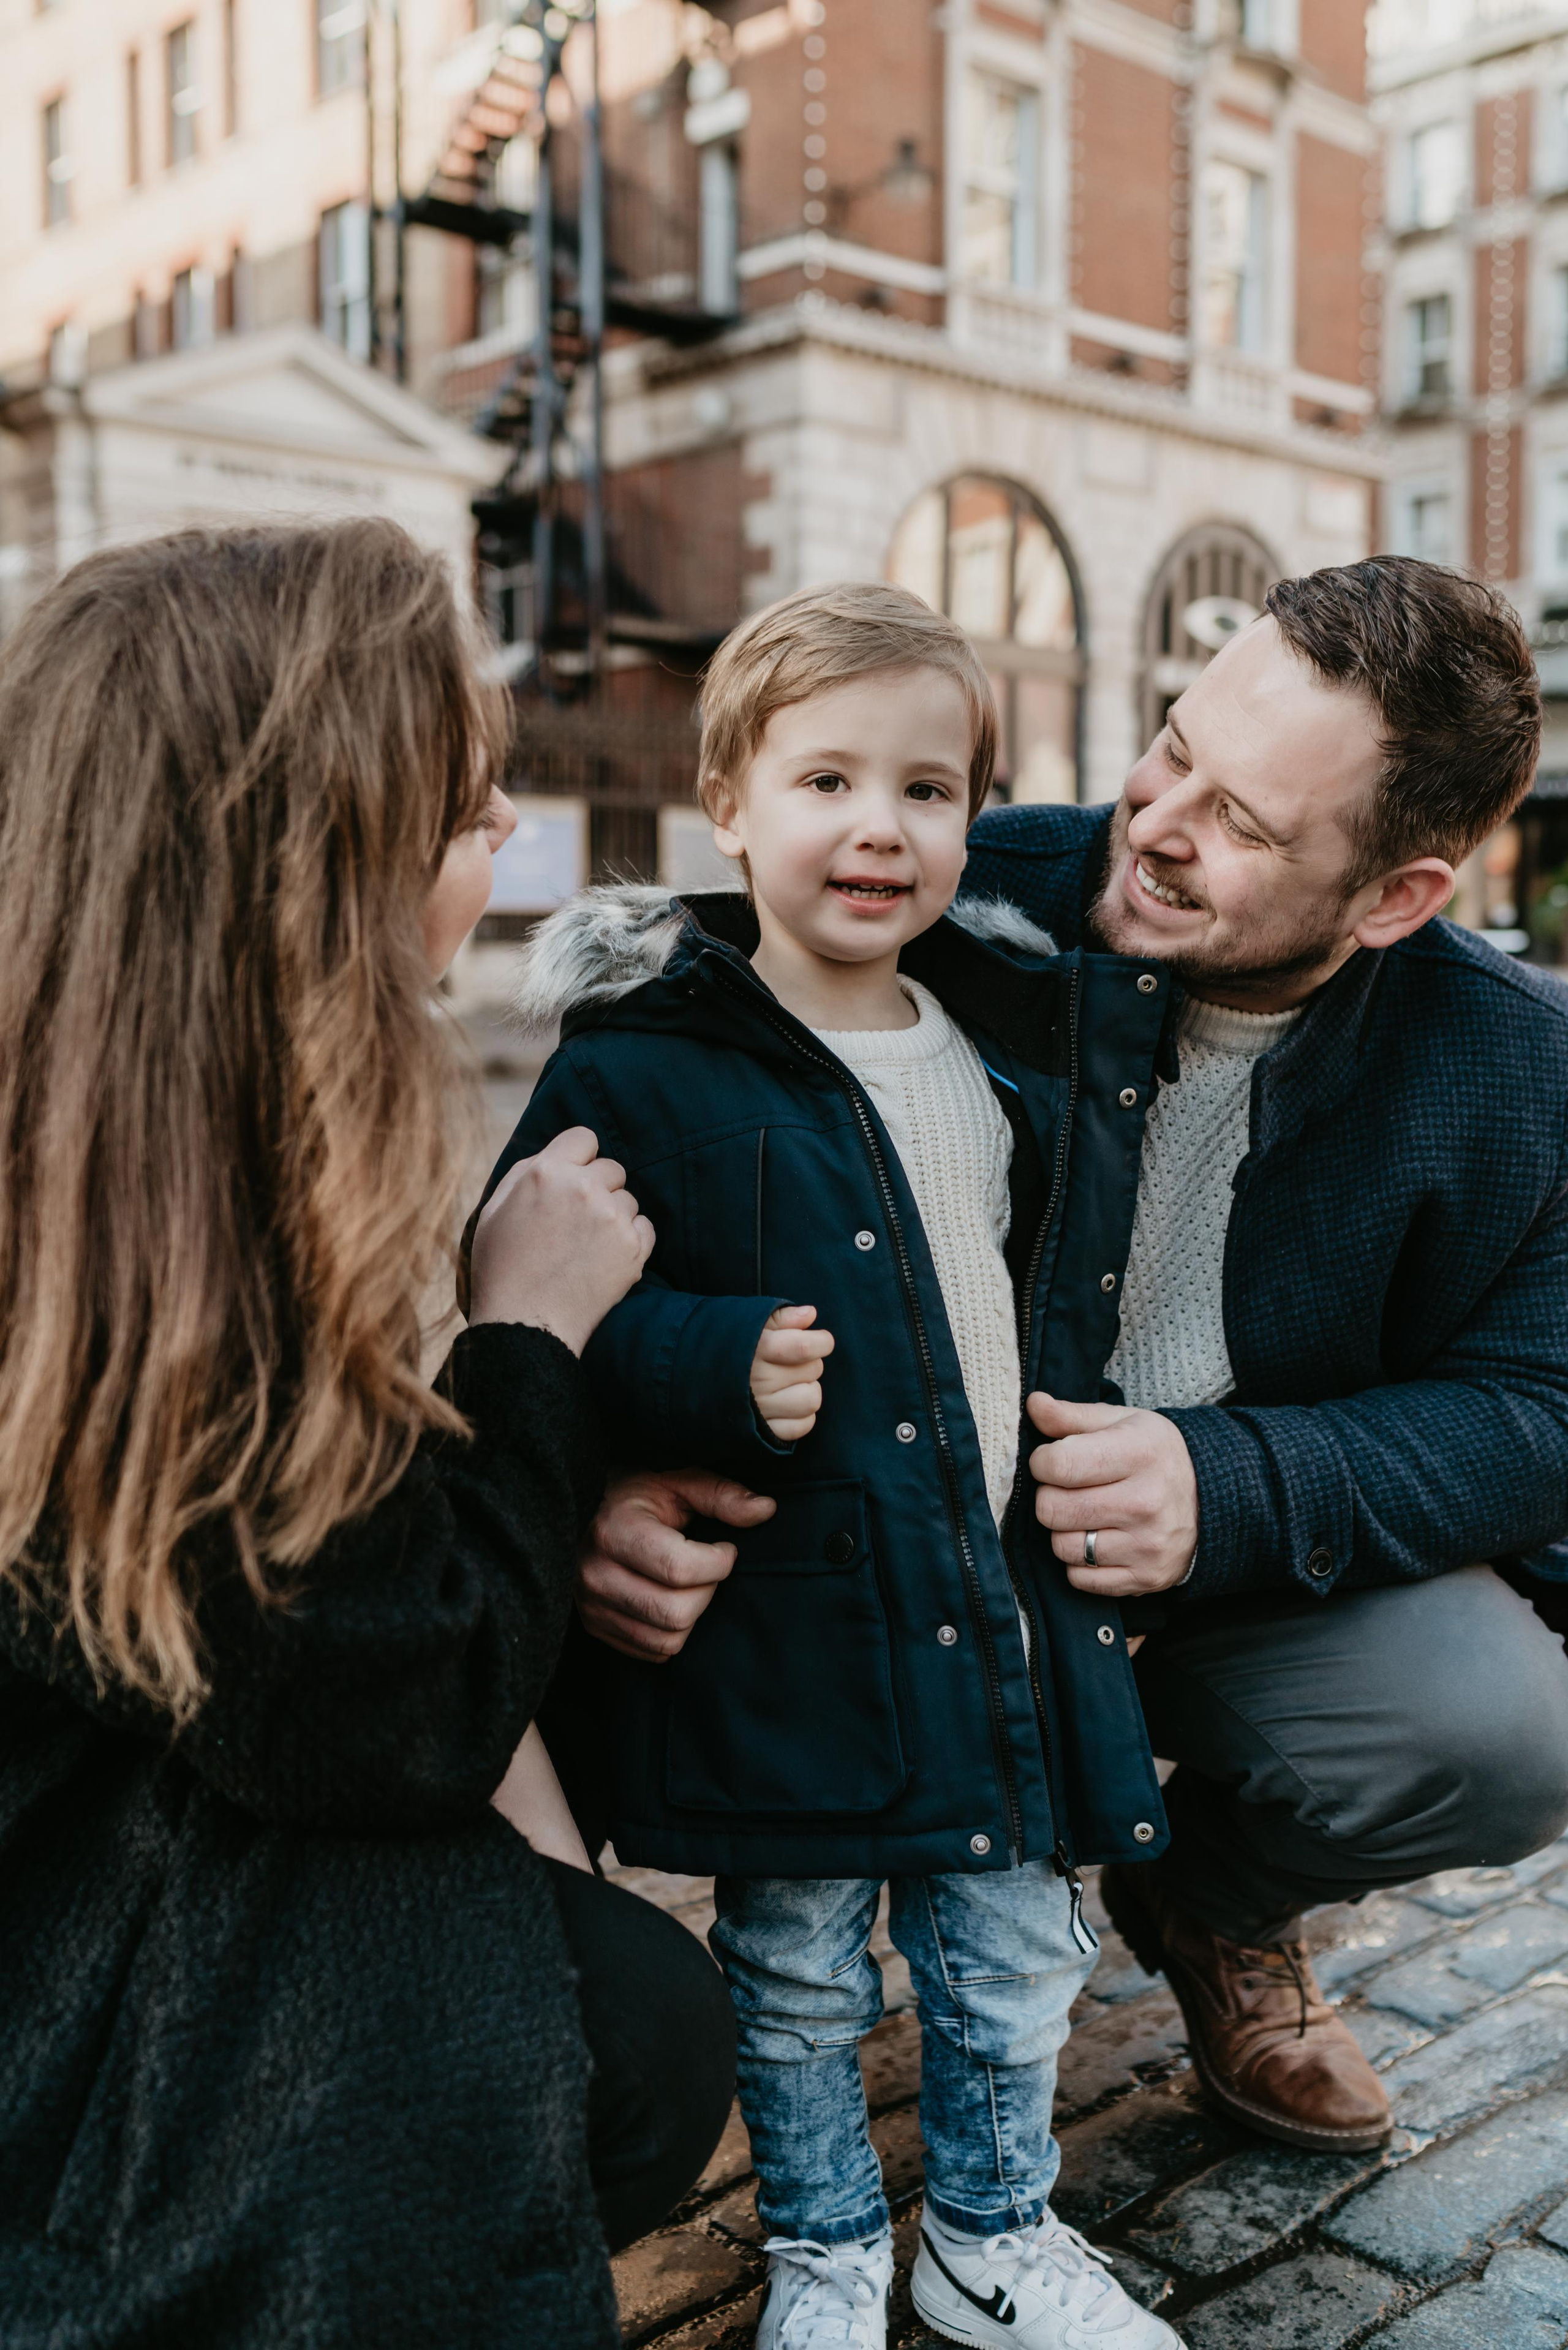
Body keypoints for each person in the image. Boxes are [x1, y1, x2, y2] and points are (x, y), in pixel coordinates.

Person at [576, 555, 1568, 2164]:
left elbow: (1543, 1411)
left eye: (1246, 822)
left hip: (1215, 1588)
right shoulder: (962, 889)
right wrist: (605, 1479)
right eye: (1174, 744)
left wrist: (1233, 1484)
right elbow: (640, 1157)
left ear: (1398, 898)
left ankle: (1215, 1908)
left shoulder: (1523, 1068)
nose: (1160, 822)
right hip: (881, 1552)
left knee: (1516, 1739)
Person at [0, 519, 734, 2350]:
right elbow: (376, 1704)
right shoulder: (163, 1242)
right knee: (623, 2035)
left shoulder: (113, 1122)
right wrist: (527, 1336)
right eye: (468, 809)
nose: (504, 841)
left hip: (119, 1799)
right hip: (75, 1957)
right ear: (312, 860)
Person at [491, 582, 1186, 2350]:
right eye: (825, 782)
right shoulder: (640, 1059)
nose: (880, 827)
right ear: (729, 801)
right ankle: (816, 2244)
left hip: (995, 1597)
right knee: (796, 1969)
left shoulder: (1019, 1041)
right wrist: (704, 1365)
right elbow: (532, 1302)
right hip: (790, 1631)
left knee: (1012, 1956)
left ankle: (990, 2232)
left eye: (930, 788)